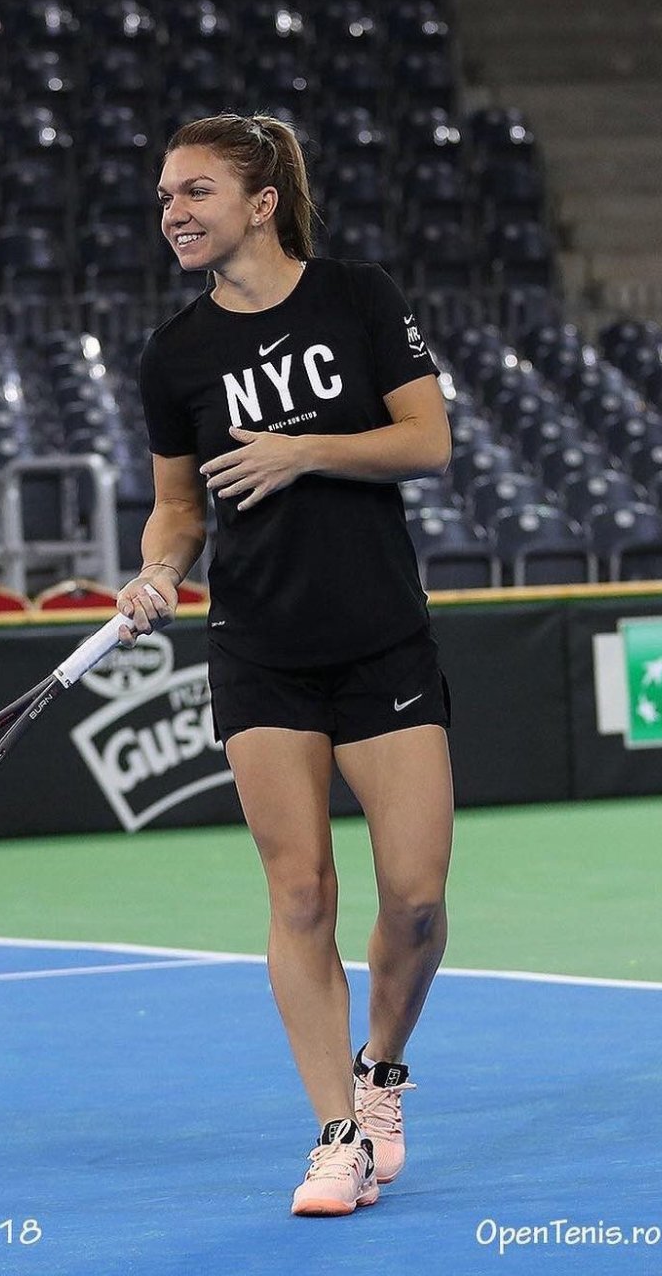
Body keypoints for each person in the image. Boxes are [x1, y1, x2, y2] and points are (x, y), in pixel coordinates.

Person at [115, 112, 454, 1218]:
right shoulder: (174, 354)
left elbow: (427, 440)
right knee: (299, 889)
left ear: (261, 204)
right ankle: (335, 1134)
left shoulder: (358, 297)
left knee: (414, 901)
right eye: (166, 197)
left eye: (195, 192)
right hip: (258, 646)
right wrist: (156, 571)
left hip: (380, 638)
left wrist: (304, 449)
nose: (173, 212)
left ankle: (381, 1073)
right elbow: (178, 509)